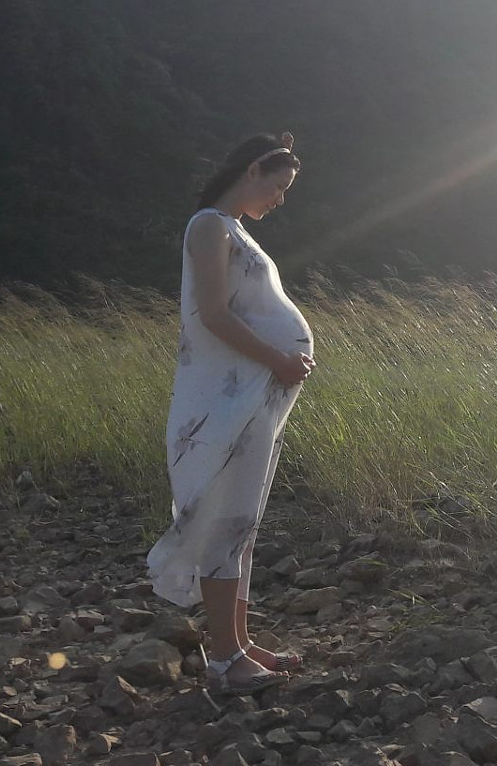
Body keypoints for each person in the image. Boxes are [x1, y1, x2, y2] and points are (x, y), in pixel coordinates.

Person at [145, 132, 317, 694]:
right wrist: (278, 360)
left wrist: (281, 366)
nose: (280, 199)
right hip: (225, 402)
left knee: (242, 522)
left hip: (251, 398)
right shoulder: (209, 226)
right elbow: (213, 315)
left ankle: (239, 643)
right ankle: (224, 660)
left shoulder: (234, 229)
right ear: (251, 170)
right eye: (278, 186)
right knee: (224, 520)